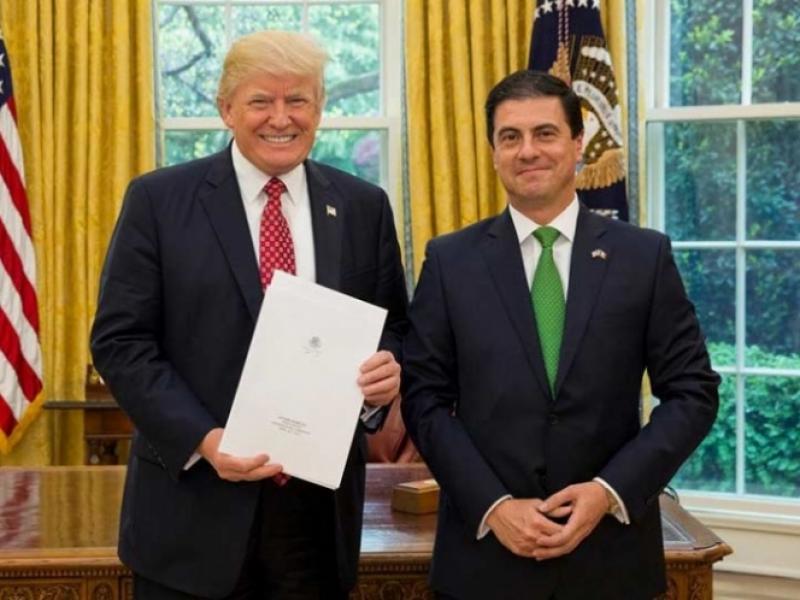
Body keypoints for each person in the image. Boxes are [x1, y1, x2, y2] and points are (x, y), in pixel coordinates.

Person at [91, 30, 408, 599]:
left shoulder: (363, 207)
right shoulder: (158, 201)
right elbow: (121, 342)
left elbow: (395, 333)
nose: (280, 118)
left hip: (316, 523)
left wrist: (383, 381)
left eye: (298, 100)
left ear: (320, 108)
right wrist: (205, 439)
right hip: (191, 516)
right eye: (261, 100)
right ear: (227, 109)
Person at [400, 70, 719, 600]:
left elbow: (693, 393)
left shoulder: (642, 257)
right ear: (494, 152)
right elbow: (423, 399)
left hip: (611, 559)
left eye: (544, 133)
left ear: (577, 143)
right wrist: (493, 506)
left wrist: (609, 491)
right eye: (510, 137)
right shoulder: (450, 261)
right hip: (484, 562)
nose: (527, 151)